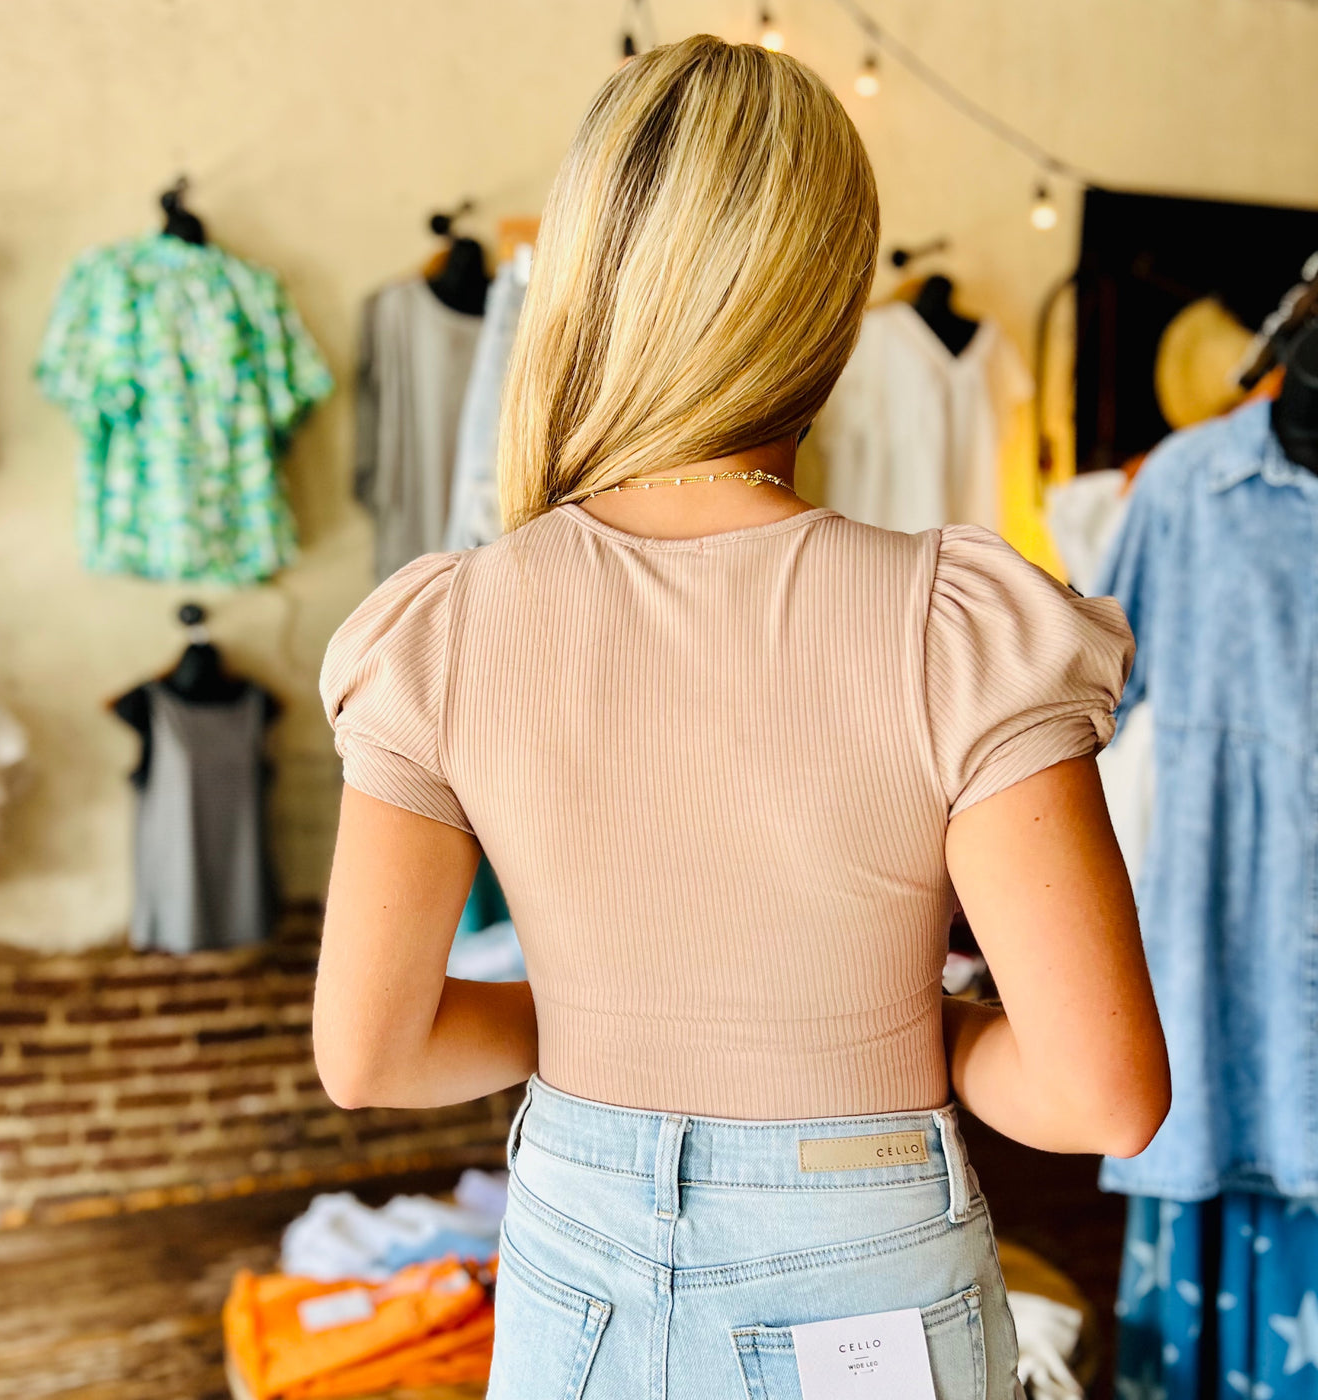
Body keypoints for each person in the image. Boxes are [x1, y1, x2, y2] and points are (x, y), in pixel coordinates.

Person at [315, 34, 1169, 1400]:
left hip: (571, 1258)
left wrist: (605, 1015)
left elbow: (371, 1053)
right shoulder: (955, 626)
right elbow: (1099, 1096)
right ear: (829, 301)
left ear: (588, 289)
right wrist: (924, 1029)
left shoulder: (447, 626)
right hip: (863, 1264)